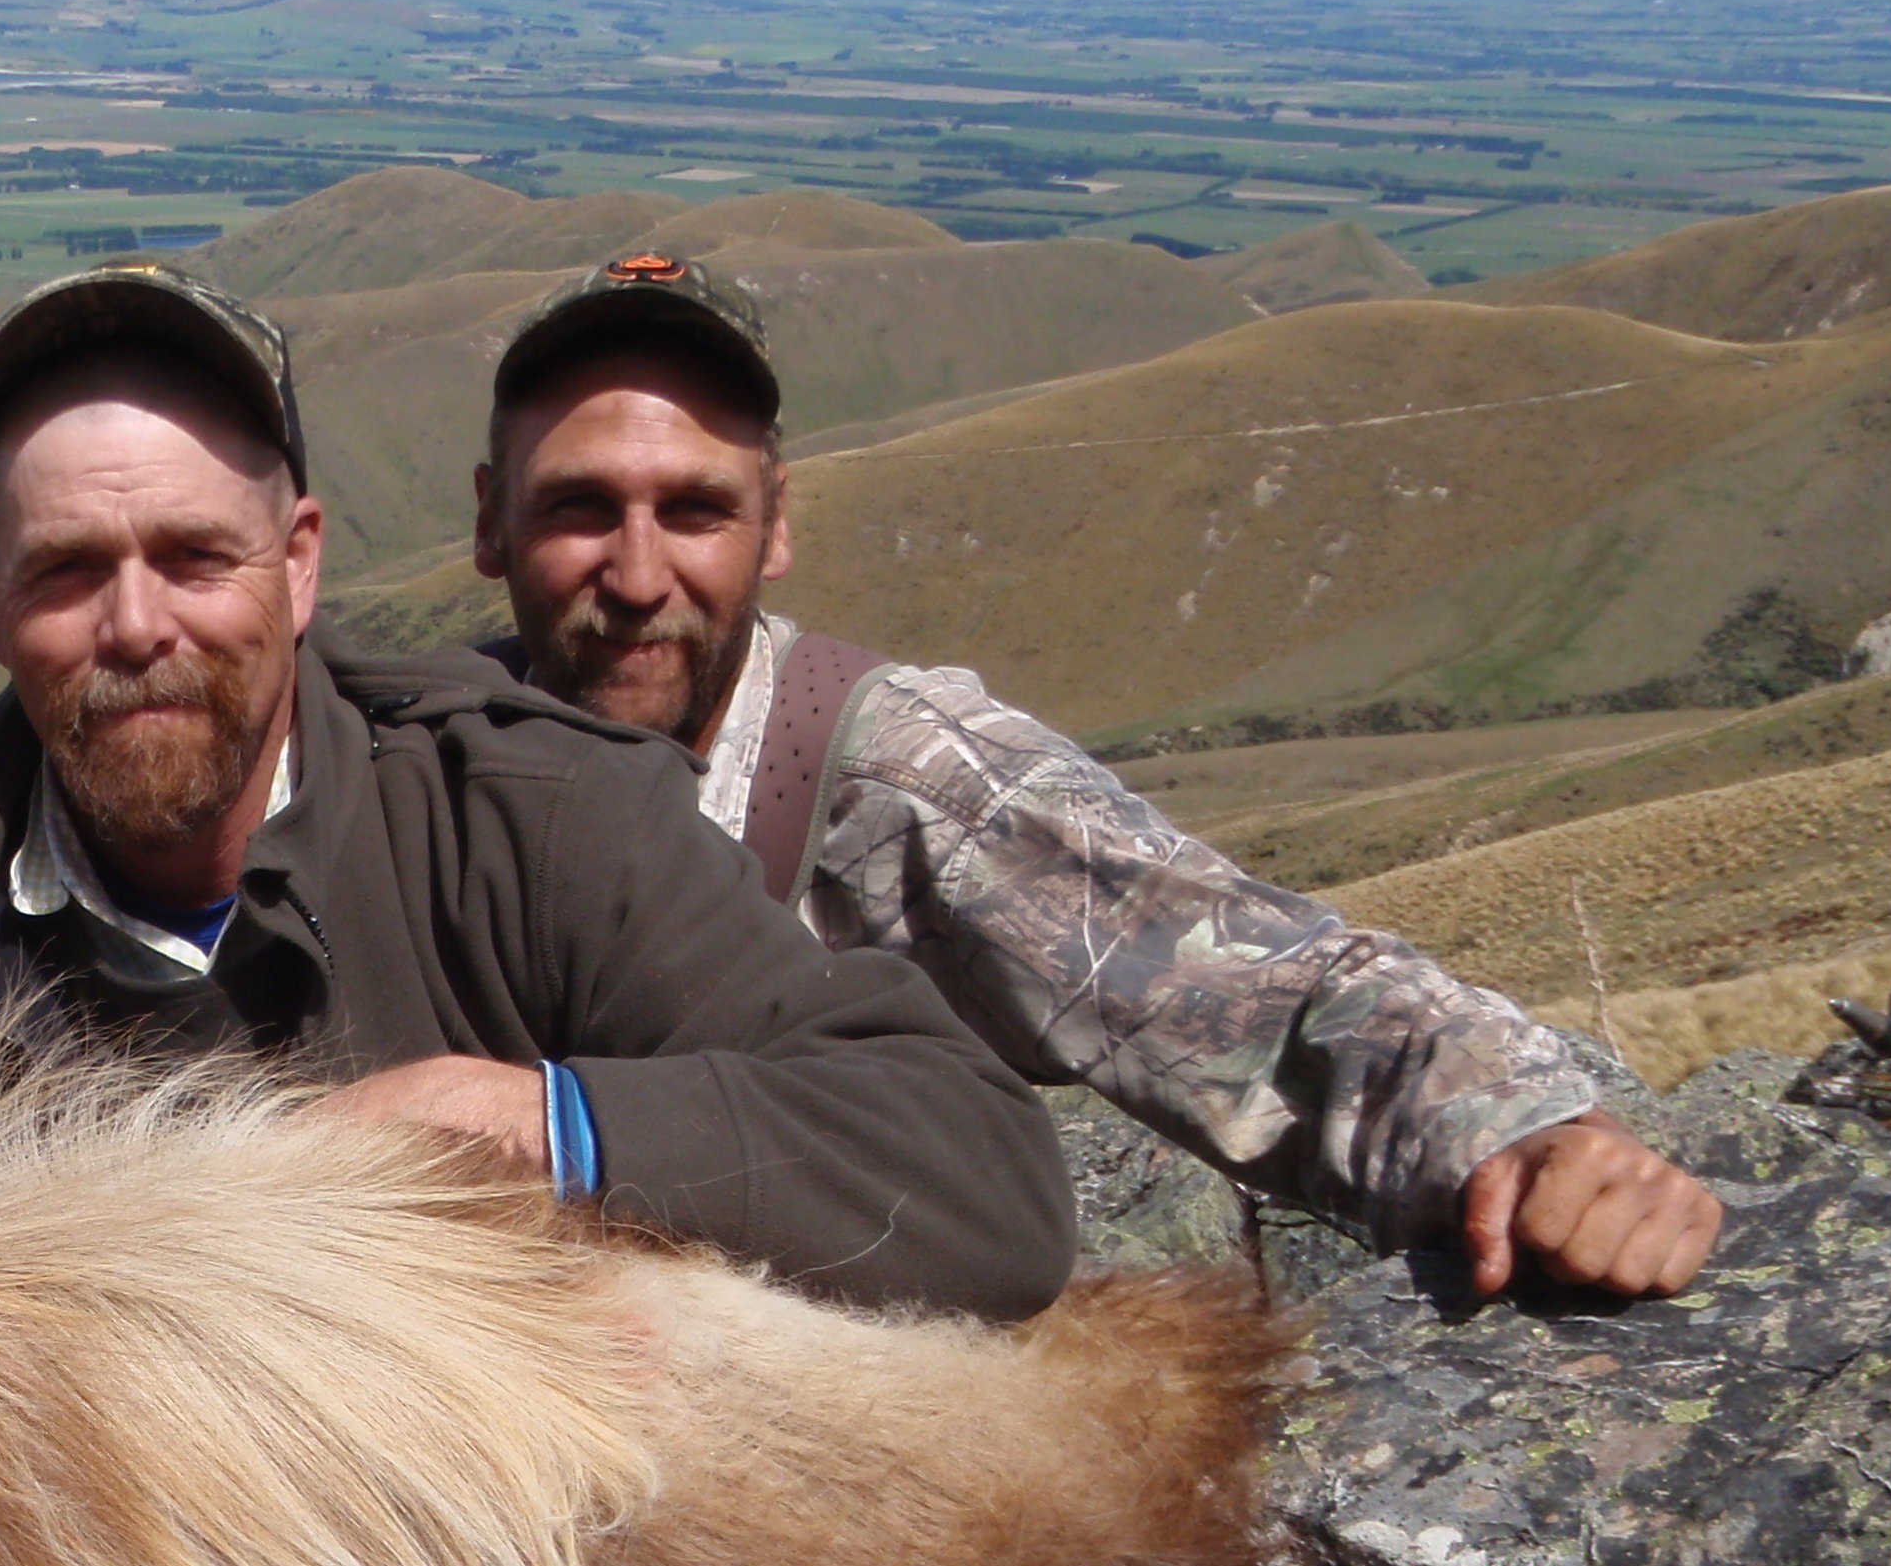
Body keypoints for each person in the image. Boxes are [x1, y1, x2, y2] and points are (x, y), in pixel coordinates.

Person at [0, 263, 1080, 1321]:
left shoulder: (536, 822)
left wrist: (522, 1128)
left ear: (298, 565)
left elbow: (979, 1178)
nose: (135, 627)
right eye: (67, 572)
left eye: (195, 557)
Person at [464, 250, 1727, 1300]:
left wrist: (1526, 1134)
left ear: (775, 524)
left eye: (694, 511)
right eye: (579, 508)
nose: (634, 578)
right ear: (486, 522)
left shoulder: (904, 783)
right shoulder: (423, 755)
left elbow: (1265, 992)